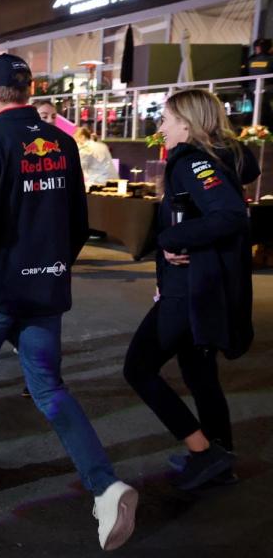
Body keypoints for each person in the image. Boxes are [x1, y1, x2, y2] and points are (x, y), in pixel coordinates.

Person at [0, 53, 137, 551]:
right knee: (49, 389)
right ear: (27, 91)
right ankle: (105, 485)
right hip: (44, 290)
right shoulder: (64, 143)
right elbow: (75, 222)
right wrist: (53, 266)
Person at [123, 89, 256, 490]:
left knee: (138, 368)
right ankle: (221, 461)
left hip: (191, 290)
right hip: (199, 286)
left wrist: (172, 238)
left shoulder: (194, 161)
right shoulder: (213, 158)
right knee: (199, 373)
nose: (159, 127)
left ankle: (204, 451)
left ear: (186, 123)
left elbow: (230, 215)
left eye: (165, 119)